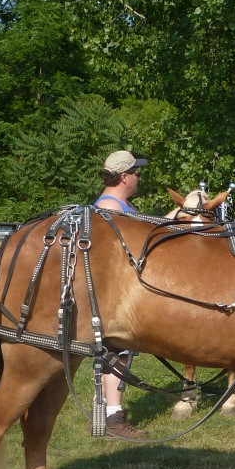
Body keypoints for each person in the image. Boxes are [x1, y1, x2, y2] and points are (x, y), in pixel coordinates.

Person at [94, 150, 148, 439]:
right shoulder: (110, 209)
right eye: (137, 173)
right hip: (115, 297)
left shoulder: (119, 206)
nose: (139, 178)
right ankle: (113, 417)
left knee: (118, 355)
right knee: (117, 355)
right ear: (124, 176)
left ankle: (109, 414)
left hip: (120, 293)